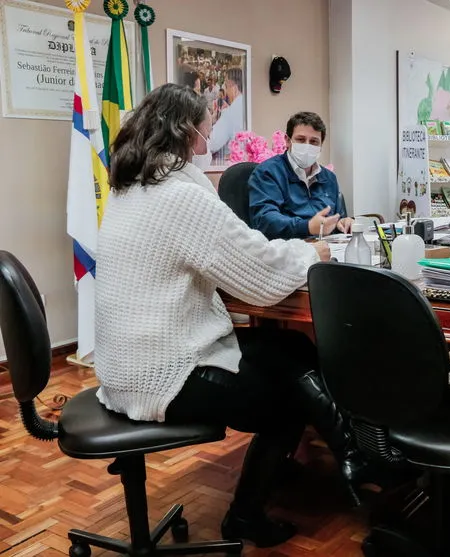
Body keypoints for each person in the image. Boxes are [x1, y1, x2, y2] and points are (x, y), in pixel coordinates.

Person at [94, 83, 363, 549]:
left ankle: (352, 454)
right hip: (164, 376)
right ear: (188, 131)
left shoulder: (130, 188)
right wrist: (312, 253)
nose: (210, 135)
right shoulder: (179, 196)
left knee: (291, 348)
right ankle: (248, 515)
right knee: (288, 398)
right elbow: (257, 273)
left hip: (123, 366)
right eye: (209, 125)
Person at [249, 111, 352, 240]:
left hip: (329, 250)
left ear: (321, 146)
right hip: (291, 251)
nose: (307, 146)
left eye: (314, 141)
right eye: (301, 140)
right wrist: (307, 226)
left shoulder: (329, 178)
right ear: (287, 140)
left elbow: (337, 219)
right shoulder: (268, 172)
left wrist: (342, 223)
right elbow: (265, 220)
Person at [208, 67, 246, 162]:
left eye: (226, 85)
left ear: (233, 86)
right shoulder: (246, 106)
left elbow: (212, 144)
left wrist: (209, 121)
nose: (225, 89)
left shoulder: (230, 113)